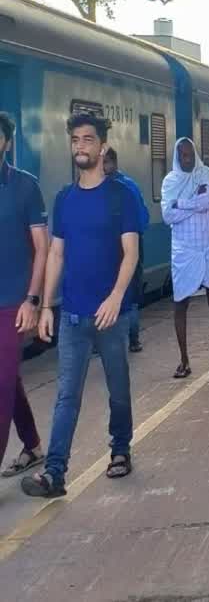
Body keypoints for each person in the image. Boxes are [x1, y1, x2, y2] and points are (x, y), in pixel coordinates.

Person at [23, 114, 140, 498]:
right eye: (75, 140)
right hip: (72, 315)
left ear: (102, 146)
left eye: (88, 140)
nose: (80, 147)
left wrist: (116, 297)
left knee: (118, 390)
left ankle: (120, 450)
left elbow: (131, 253)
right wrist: (45, 306)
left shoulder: (121, 194)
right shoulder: (65, 199)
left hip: (111, 316)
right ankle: (55, 473)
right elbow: (56, 255)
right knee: (66, 396)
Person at [0, 111, 46, 479]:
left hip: (13, 303)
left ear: (7, 142)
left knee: (0, 383)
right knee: (8, 379)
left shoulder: (26, 187)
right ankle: (32, 445)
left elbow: (42, 249)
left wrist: (33, 299)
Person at [162, 137, 209, 379]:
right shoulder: (170, 181)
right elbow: (167, 215)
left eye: (191, 155)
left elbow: (207, 201)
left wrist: (180, 203)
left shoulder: (206, 173)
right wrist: (192, 204)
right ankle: (184, 361)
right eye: (183, 156)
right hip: (184, 251)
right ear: (178, 157)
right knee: (181, 304)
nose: (188, 159)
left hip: (207, 247)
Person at [102, 149, 150, 353]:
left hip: (119, 247)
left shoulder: (122, 188)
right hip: (130, 244)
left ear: (112, 162)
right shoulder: (130, 186)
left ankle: (129, 338)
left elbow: (141, 220)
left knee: (122, 294)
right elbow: (144, 219)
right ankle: (132, 339)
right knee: (129, 294)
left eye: (104, 162)